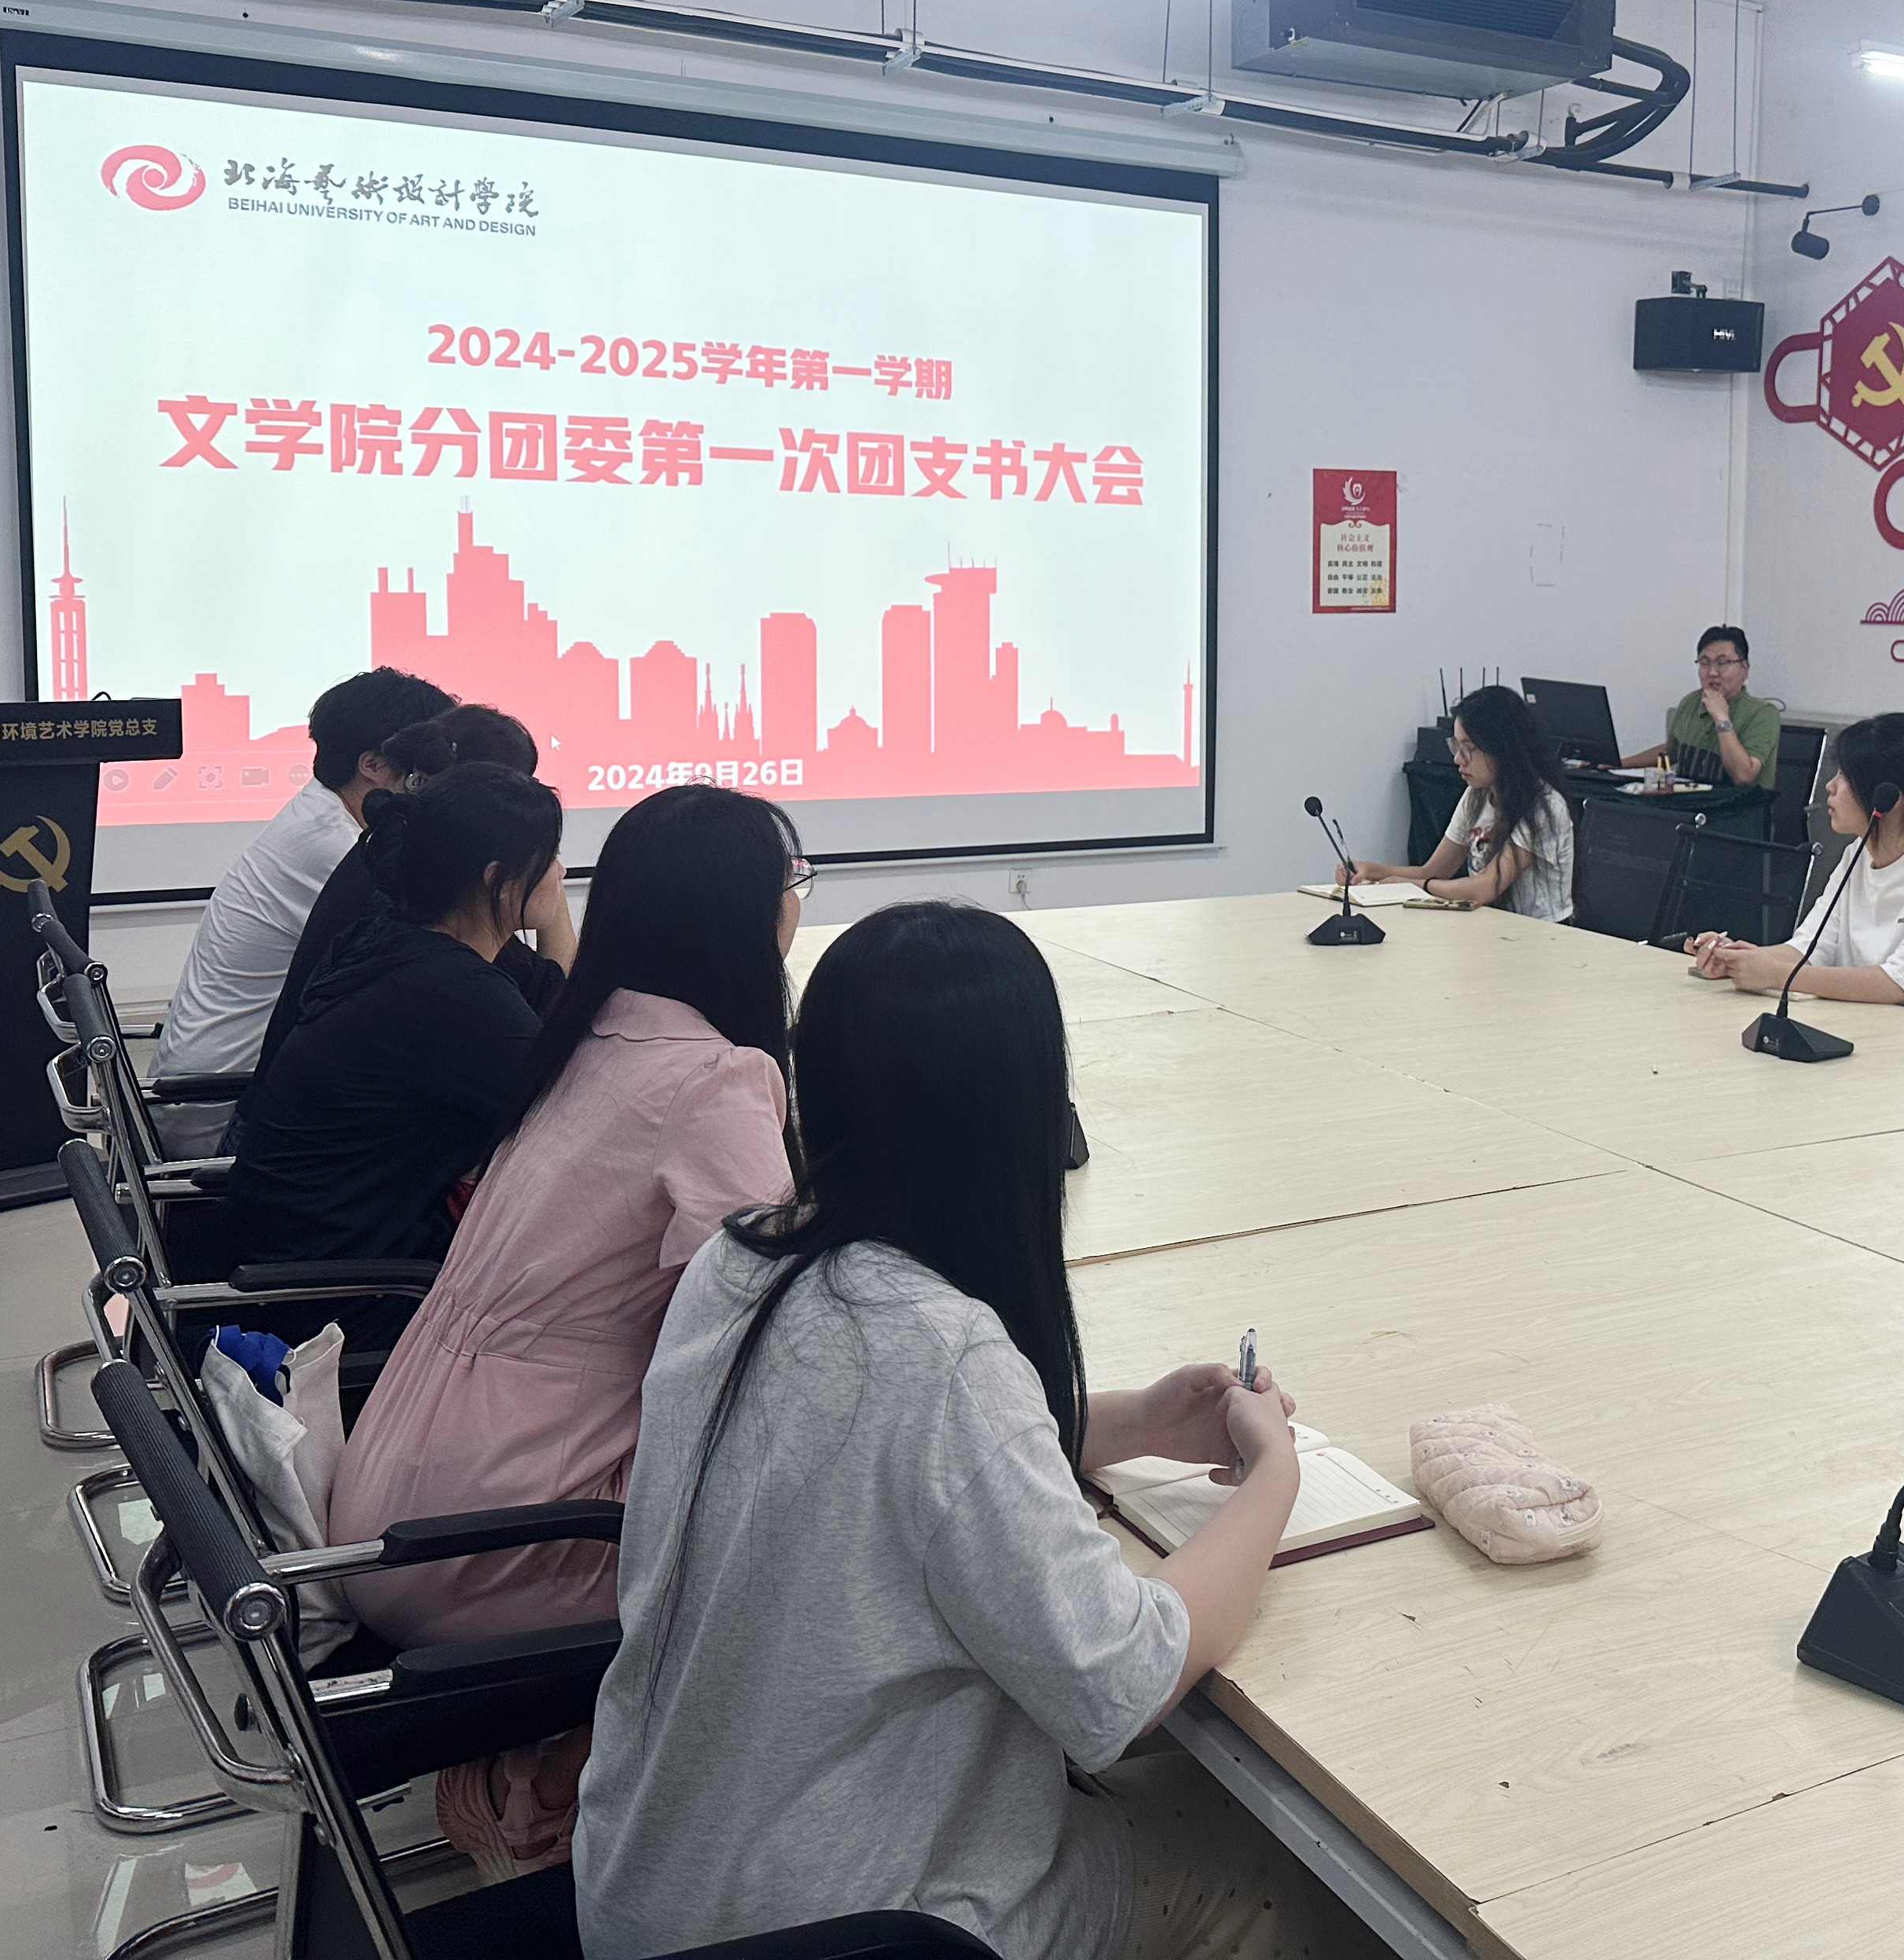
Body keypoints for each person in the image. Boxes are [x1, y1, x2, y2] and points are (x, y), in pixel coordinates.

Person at [577, 901, 1374, 1960]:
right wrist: (1271, 1477)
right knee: (1283, 1867)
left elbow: (885, 1470)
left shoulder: (743, 1260)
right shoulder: (939, 1350)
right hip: (845, 1924)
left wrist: (1135, 1421)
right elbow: (1123, 1680)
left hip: (652, 1889)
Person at [326, 784, 811, 1879]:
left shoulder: (588, 1036)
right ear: (747, 915)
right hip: (497, 1538)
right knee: (805, 1520)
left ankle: (546, 1760)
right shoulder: (717, 1077)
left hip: (389, 1502)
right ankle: (549, 1789)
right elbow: (772, 1334)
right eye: (792, 884)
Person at [201, 760, 568, 1343]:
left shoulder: (401, 937)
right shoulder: (452, 994)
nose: (562, 874)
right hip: (339, 1300)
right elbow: (577, 1108)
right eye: (549, 860)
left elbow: (557, 997)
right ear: (498, 879)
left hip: (296, 1250)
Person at [245, 703, 569, 1110]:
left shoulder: (409, 905)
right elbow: (555, 1067)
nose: (562, 871)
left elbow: (547, 992)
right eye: (548, 855)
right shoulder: (452, 980)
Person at [152, 666, 456, 1083]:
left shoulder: (323, 815)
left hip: (224, 1075)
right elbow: (447, 957)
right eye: (427, 765)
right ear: (372, 765)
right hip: (223, 1094)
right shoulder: (333, 846)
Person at [1689, 712, 1904, 1017]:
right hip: (1876, 1025)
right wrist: (1737, 958)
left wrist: (1776, 974)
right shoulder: (1858, 853)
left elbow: (1902, 985)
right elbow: (1809, 949)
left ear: (1889, 798)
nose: (1830, 786)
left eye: (1845, 776)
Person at [1352, 683, 1575, 921]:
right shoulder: (1476, 796)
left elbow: (1485, 887)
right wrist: (1370, 871)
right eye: (1456, 746)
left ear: (1502, 748)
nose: (1458, 759)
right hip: (1493, 925)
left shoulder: (1544, 807)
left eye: (1468, 748)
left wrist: (1415, 886)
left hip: (1543, 933)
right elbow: (1433, 871)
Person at [1621, 625, 1781, 788]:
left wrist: (1721, 718)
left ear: (1744, 669)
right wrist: (1619, 765)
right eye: (1705, 663)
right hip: (1689, 801)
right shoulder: (1691, 702)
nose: (1712, 672)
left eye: (1723, 662)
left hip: (1735, 804)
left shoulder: (1762, 713)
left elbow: (1743, 776)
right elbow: (1672, 752)